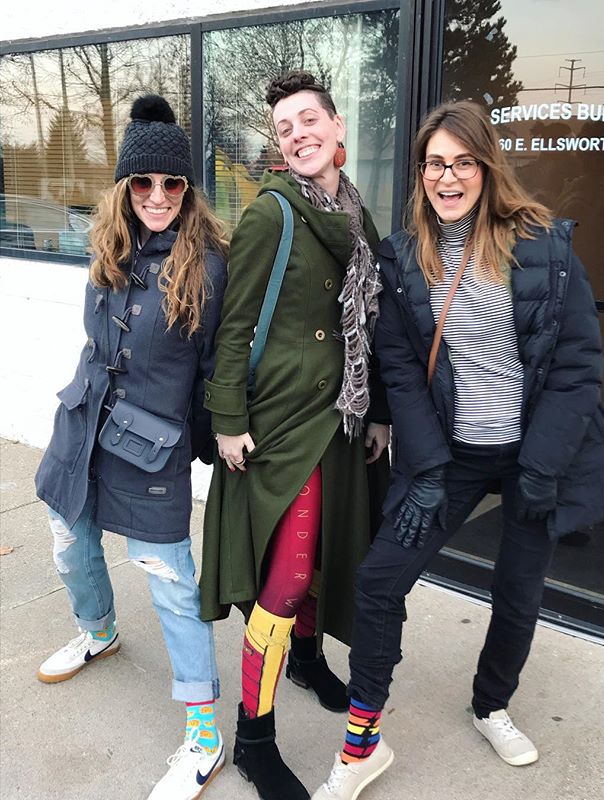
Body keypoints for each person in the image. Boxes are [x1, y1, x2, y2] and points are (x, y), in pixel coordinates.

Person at [311, 100, 604, 800]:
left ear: (487, 167)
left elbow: (577, 367)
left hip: (533, 456)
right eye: (435, 163)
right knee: (379, 583)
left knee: (516, 594)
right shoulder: (403, 258)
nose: (448, 176)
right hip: (450, 457)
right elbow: (399, 367)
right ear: (421, 174)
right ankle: (363, 743)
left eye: (463, 161)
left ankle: (491, 705)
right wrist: (425, 469)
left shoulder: (544, 246)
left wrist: (543, 467)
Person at [199, 70, 390, 800]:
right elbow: (234, 326)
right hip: (284, 425)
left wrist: (377, 411)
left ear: (339, 130)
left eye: (310, 119)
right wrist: (227, 422)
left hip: (340, 419)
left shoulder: (357, 218)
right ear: (281, 147)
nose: (299, 133)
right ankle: (254, 738)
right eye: (285, 128)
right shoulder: (272, 215)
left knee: (318, 563)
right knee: (283, 579)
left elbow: (371, 329)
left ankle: (306, 658)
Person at [34, 95, 229, 800]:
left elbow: (215, 370)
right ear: (124, 187)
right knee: (67, 538)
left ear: (187, 190)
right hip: (81, 425)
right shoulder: (106, 248)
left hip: (151, 448)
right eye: (142, 183)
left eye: (171, 184)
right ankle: (98, 631)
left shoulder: (208, 267)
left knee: (173, 583)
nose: (156, 196)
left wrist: (210, 442)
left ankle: (204, 735)